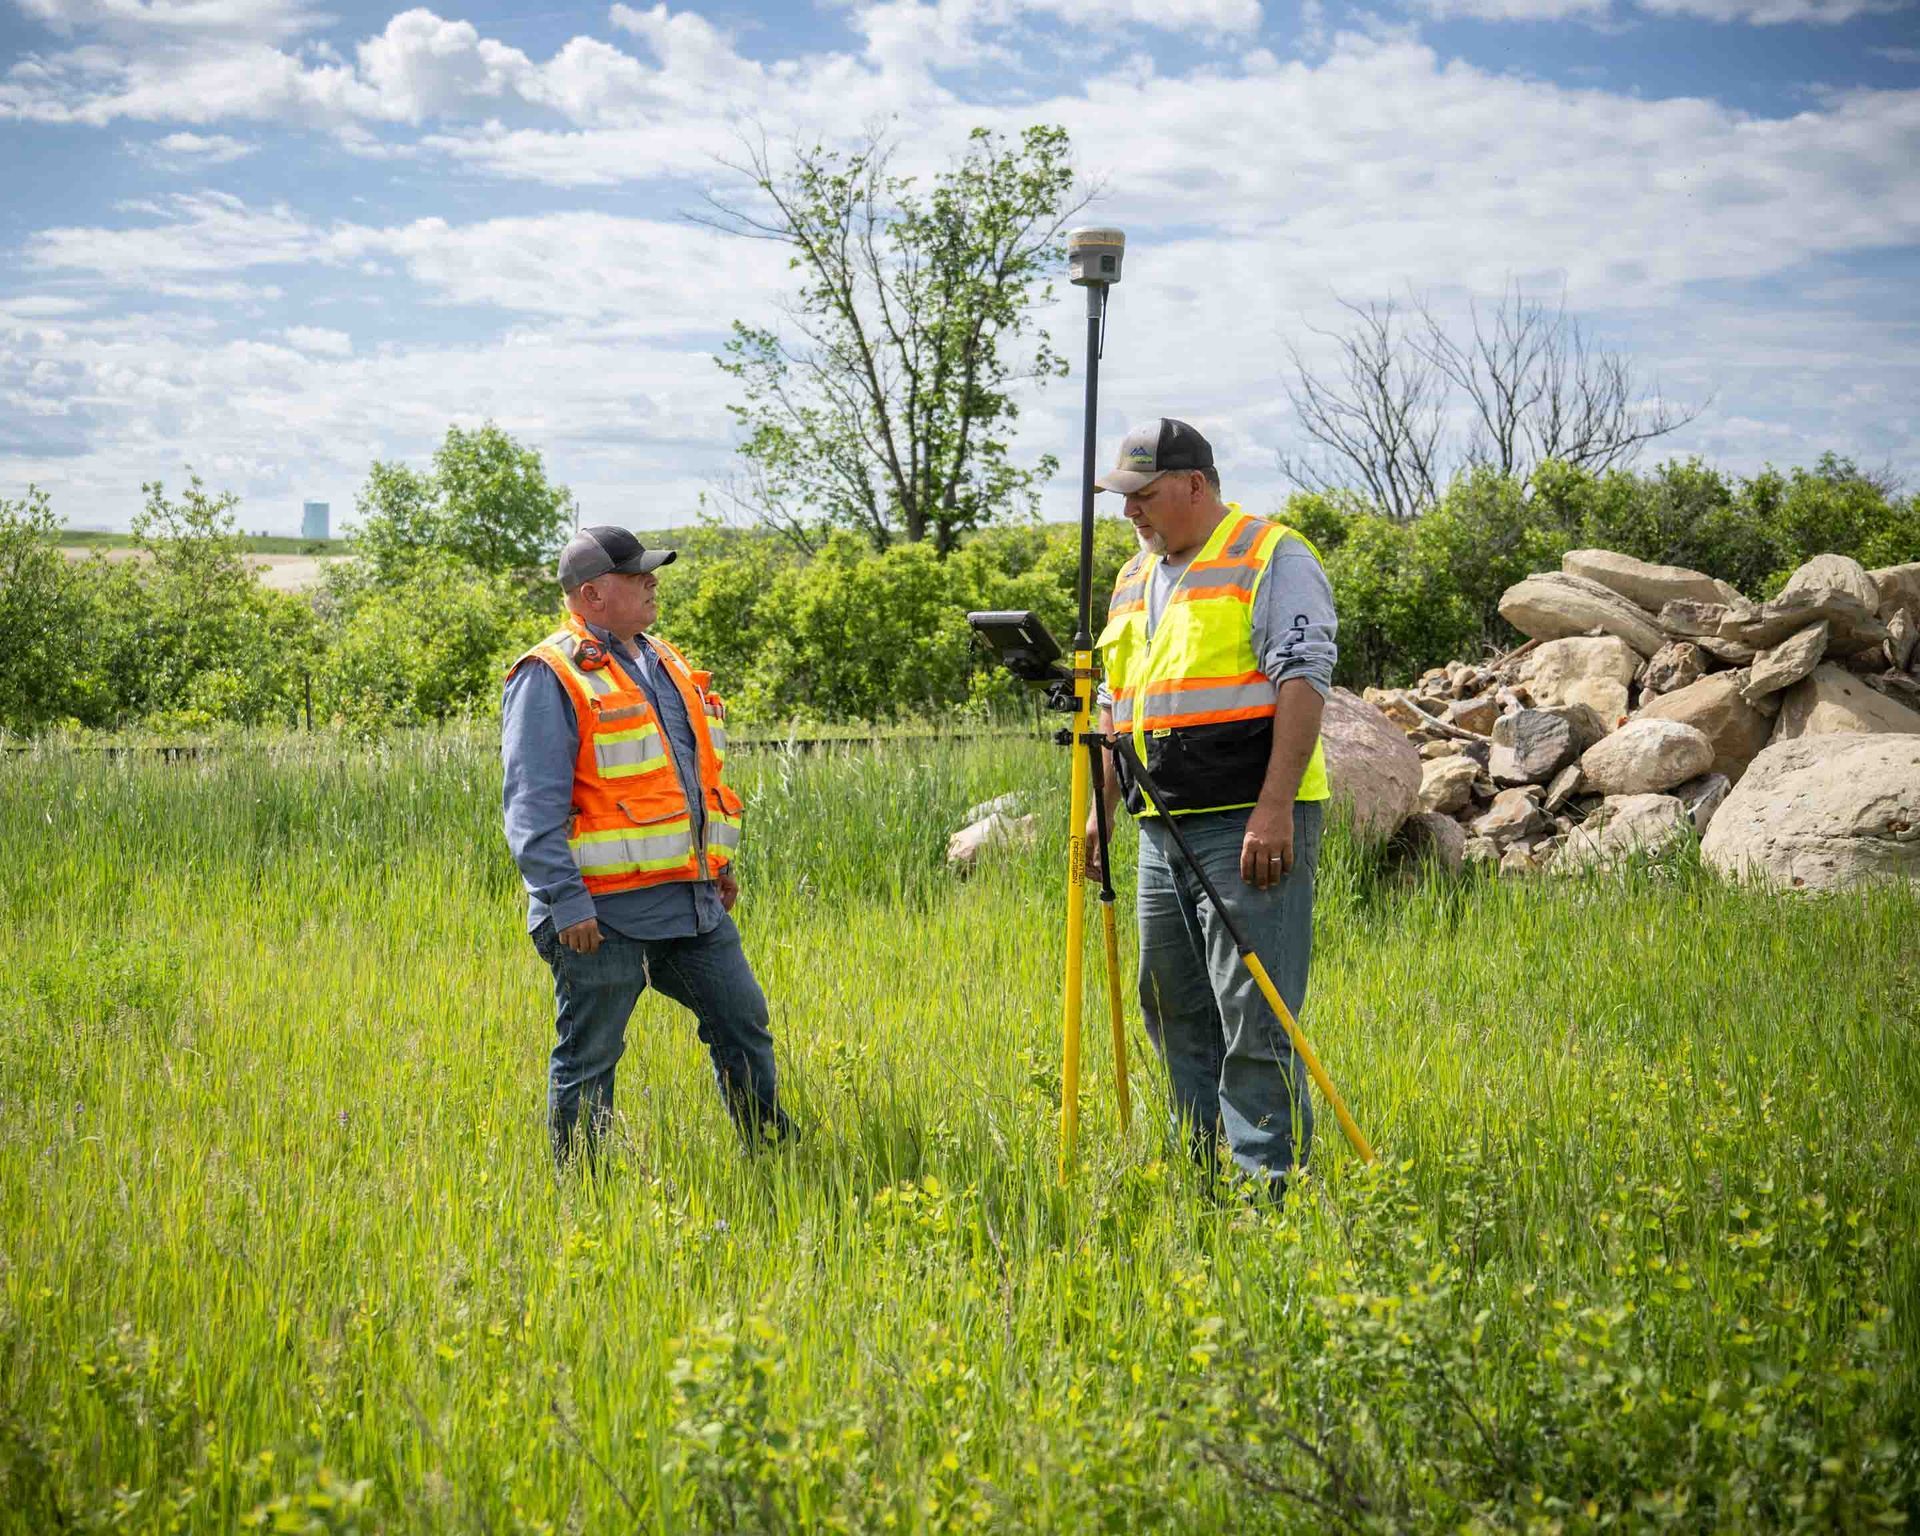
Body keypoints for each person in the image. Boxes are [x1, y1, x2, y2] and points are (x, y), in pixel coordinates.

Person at [1085, 419, 1337, 1196]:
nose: (1132, 512)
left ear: (1196, 485)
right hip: (1159, 827)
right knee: (1172, 1004)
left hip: (1245, 821)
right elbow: (1110, 705)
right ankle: (1198, 1176)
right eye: (1123, 499)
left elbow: (1303, 681)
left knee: (1253, 1013)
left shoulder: (1271, 556)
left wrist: (1274, 809)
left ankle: (1268, 1188)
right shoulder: (1132, 578)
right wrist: (1101, 813)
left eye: (1145, 495)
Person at [502, 525, 793, 1169]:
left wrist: (714, 865)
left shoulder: (665, 660)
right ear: (593, 594)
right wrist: (565, 902)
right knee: (591, 1058)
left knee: (743, 1024)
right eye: (637, 576)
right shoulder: (550, 674)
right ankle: (586, 1192)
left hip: (688, 903)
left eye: (649, 573)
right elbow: (530, 806)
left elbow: (691, 776)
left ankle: (772, 1155)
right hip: (598, 917)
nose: (651, 583)